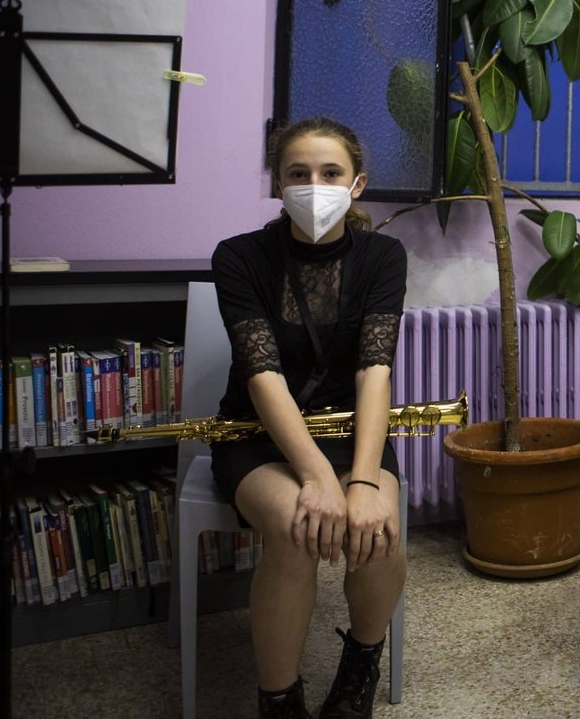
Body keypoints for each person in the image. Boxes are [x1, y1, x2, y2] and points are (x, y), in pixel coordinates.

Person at [211, 116, 408, 719]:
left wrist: (364, 480)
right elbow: (261, 375)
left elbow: (374, 370)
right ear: (277, 183)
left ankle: (360, 666)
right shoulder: (239, 256)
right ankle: (279, 699)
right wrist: (319, 477)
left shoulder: (383, 256)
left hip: (350, 430)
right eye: (298, 174)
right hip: (258, 434)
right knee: (298, 528)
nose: (314, 186)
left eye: (330, 173)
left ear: (357, 184)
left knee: (377, 527)